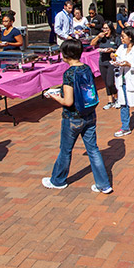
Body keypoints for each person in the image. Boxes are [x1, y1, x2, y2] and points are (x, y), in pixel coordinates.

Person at [42, 39, 113, 194]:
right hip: (89, 114)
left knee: (66, 150)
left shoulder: (69, 73)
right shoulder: (86, 68)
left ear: (66, 54)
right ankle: (104, 184)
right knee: (93, 149)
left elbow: (68, 101)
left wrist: (53, 96)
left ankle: (58, 180)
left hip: (72, 117)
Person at [90, 22, 121, 110]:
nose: (105, 30)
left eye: (107, 28)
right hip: (102, 62)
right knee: (106, 83)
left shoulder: (116, 38)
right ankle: (110, 101)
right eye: (104, 28)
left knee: (110, 82)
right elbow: (92, 44)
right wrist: (98, 37)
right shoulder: (102, 38)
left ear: (111, 29)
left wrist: (112, 50)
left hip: (111, 62)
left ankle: (117, 98)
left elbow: (120, 49)